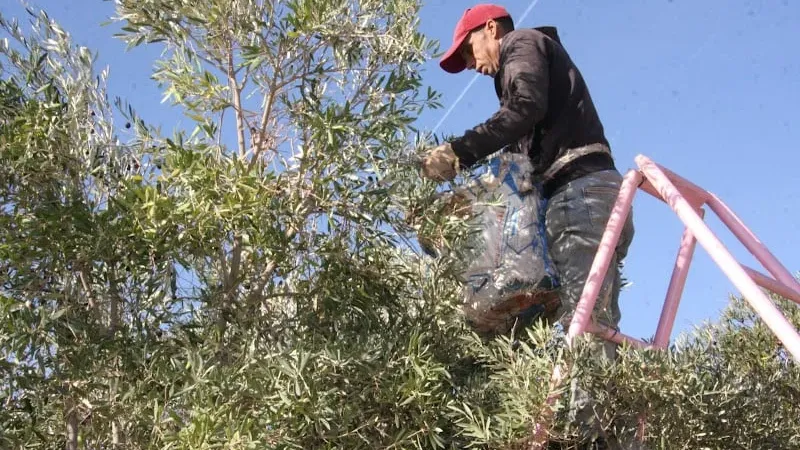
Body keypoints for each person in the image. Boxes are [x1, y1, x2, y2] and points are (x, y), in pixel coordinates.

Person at [420, 4, 637, 448]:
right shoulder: (527, 74)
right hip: (576, 199)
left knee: (588, 323)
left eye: (466, 51)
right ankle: (582, 429)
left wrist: (458, 151)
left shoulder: (523, 44)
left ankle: (590, 438)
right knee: (572, 323)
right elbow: (515, 170)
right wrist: (461, 204)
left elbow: (524, 106)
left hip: (582, 193)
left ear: (491, 28)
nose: (469, 64)